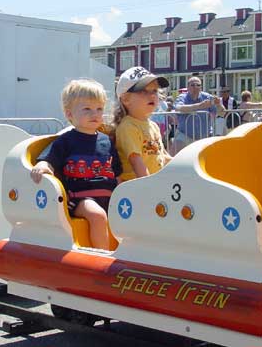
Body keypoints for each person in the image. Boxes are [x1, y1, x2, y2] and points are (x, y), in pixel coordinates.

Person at [30, 79, 122, 250]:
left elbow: (117, 175)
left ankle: (129, 258)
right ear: (69, 114)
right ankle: (101, 259)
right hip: (80, 199)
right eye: (87, 109)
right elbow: (50, 160)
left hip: (109, 198)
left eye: (99, 109)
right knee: (98, 216)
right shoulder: (65, 141)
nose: (94, 113)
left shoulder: (107, 142)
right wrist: (43, 165)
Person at [113, 66, 171, 181]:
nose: (152, 95)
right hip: (137, 191)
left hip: (153, 185)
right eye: (143, 91)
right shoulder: (128, 126)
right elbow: (137, 163)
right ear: (125, 99)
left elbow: (163, 157)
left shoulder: (153, 126)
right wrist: (148, 187)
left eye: (154, 90)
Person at [170, 76, 225, 155]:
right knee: (173, 155)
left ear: (201, 87)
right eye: (192, 85)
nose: (195, 87)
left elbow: (222, 112)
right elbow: (178, 108)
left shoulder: (207, 97)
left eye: (198, 85)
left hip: (204, 136)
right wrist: (199, 106)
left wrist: (219, 104)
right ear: (188, 87)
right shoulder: (182, 97)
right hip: (184, 134)